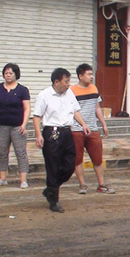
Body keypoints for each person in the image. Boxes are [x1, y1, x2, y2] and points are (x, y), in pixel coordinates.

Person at [33, 68, 91, 212]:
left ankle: (50, 189)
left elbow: (75, 111)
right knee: (53, 167)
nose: (68, 84)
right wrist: (38, 135)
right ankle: (54, 201)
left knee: (70, 164)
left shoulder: (69, 93)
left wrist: (83, 124)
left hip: (67, 133)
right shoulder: (44, 95)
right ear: (56, 81)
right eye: (66, 81)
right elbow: (36, 116)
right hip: (52, 133)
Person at [71, 64, 115, 195]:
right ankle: (82, 184)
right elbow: (72, 110)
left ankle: (101, 184)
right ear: (80, 76)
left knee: (97, 158)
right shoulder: (72, 91)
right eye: (88, 74)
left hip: (93, 128)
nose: (91, 77)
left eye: (91, 74)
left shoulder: (94, 88)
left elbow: (97, 108)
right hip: (76, 129)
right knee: (78, 159)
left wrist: (104, 124)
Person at [0, 63, 30, 189]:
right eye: (6, 73)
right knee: (1, 152)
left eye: (10, 73)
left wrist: (24, 124)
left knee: (21, 152)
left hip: (18, 126)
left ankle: (23, 180)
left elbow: (27, 108)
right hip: (1, 126)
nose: (8, 75)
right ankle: (3, 178)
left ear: (16, 74)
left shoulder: (22, 90)